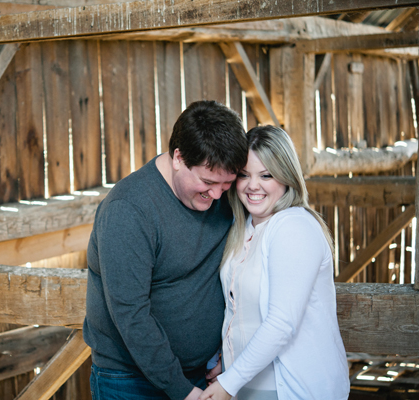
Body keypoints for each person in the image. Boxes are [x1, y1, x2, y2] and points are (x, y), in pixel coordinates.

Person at [83, 100, 248, 400]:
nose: (215, 195)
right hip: (130, 382)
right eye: (208, 182)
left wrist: (232, 350)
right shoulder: (129, 210)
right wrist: (181, 390)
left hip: (203, 372)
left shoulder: (227, 196)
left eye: (226, 184)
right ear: (177, 158)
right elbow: (130, 313)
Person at [200, 125, 350, 400]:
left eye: (266, 175)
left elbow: (282, 322)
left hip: (293, 389)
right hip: (251, 386)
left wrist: (228, 383)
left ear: (286, 177)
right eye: (244, 175)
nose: (252, 185)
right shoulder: (243, 227)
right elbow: (241, 311)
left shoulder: (294, 226)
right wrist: (230, 359)